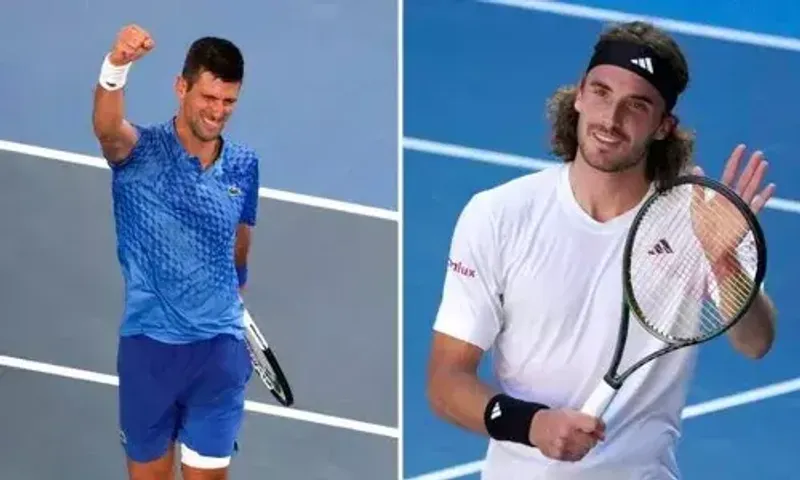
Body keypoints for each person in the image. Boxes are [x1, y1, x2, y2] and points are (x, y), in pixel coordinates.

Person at [426, 21, 777, 480]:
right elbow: (446, 382)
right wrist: (531, 425)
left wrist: (724, 260)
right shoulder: (498, 215)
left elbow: (756, 343)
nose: (610, 120)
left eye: (636, 105)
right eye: (601, 92)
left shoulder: (697, 219)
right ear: (578, 96)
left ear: (663, 127)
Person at [92, 24, 260, 480]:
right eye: (208, 97)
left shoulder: (244, 163)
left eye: (228, 102)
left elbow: (241, 237)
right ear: (181, 87)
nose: (217, 111)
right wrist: (116, 67)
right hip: (151, 351)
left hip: (219, 355)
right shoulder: (139, 152)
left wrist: (238, 288)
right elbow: (107, 128)